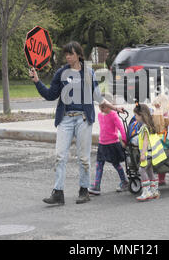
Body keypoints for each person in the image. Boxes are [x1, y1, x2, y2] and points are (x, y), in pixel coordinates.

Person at [30, 41, 123, 205]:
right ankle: (58, 193)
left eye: (70, 54)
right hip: (65, 118)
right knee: (60, 156)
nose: (67, 57)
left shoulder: (88, 72)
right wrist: (37, 81)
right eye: (66, 54)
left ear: (78, 54)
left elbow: (97, 97)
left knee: (84, 158)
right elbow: (51, 95)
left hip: (83, 119)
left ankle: (84, 190)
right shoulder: (61, 73)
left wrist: (114, 108)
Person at [88, 101, 128, 195]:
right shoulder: (99, 115)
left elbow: (121, 128)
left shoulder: (113, 115)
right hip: (102, 143)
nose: (102, 108)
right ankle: (97, 186)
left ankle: (125, 181)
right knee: (99, 165)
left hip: (112, 144)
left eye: (104, 106)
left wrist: (124, 139)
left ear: (110, 106)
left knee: (116, 164)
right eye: (100, 106)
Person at [134, 103, 168, 201]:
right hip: (151, 153)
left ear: (141, 115)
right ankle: (154, 190)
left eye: (136, 115)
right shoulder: (150, 126)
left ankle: (146, 191)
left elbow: (145, 142)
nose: (135, 117)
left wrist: (142, 154)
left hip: (146, 153)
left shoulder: (144, 128)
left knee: (142, 170)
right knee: (150, 171)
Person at [152, 94, 169, 186]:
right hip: (162, 139)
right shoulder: (160, 114)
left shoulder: (165, 116)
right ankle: (161, 179)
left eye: (157, 106)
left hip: (164, 141)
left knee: (161, 158)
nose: (156, 109)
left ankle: (161, 179)